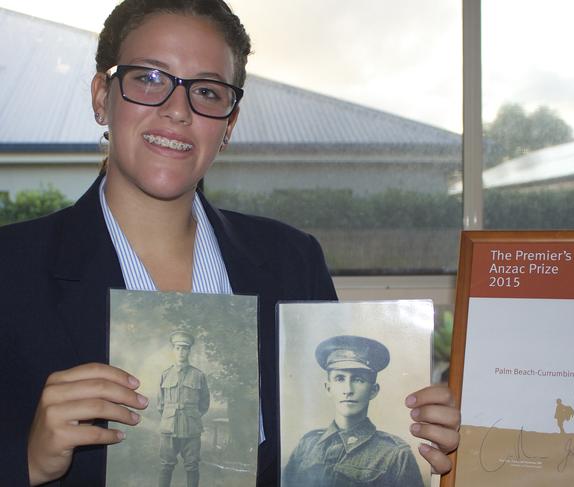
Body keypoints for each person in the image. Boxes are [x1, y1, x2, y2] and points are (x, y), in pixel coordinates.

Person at [0, 1, 460, 486]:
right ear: (101, 96)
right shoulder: (11, 269)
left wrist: (417, 434)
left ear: (229, 125)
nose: (177, 110)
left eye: (206, 91)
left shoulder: (291, 260)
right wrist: (26, 461)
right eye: (149, 79)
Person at [282, 335, 425, 486]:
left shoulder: (394, 454)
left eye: (358, 379)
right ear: (328, 388)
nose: (348, 390)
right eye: (339, 379)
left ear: (373, 390)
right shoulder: (307, 445)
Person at [157, 331, 210, 487]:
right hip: (169, 428)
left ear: (189, 351)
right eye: (178, 348)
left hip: (191, 429)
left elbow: (204, 403)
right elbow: (160, 405)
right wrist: (169, 417)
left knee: (192, 466)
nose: (181, 352)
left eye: (185, 348)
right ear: (173, 350)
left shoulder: (198, 375)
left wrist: (192, 416)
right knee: (166, 465)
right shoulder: (165, 375)